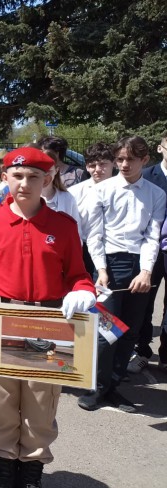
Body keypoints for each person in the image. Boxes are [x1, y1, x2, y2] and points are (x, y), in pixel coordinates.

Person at [0, 147, 96, 488]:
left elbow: (78, 274)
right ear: (5, 177)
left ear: (48, 179)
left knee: (41, 404)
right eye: (17, 176)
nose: (24, 183)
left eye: (33, 177)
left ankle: (31, 473)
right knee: (0, 403)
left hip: (48, 323)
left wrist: (83, 291)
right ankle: (5, 470)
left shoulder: (63, 226)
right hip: (2, 318)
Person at [81, 136, 166, 412]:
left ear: (145, 160)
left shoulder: (156, 194)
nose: (124, 164)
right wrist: (101, 269)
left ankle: (113, 387)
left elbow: (152, 236)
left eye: (131, 159)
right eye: (120, 159)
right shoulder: (102, 190)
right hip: (110, 263)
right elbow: (95, 234)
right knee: (106, 332)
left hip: (140, 266)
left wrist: (146, 271)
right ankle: (97, 387)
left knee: (129, 330)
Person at [129, 130, 167, 374]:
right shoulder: (147, 176)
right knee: (144, 300)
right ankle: (142, 350)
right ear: (160, 148)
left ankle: (166, 354)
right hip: (150, 247)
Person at [68, 142, 115, 273]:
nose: (97, 169)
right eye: (92, 165)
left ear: (113, 163)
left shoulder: (123, 190)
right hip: (84, 250)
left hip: (114, 251)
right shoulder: (74, 193)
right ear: (86, 167)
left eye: (103, 164)